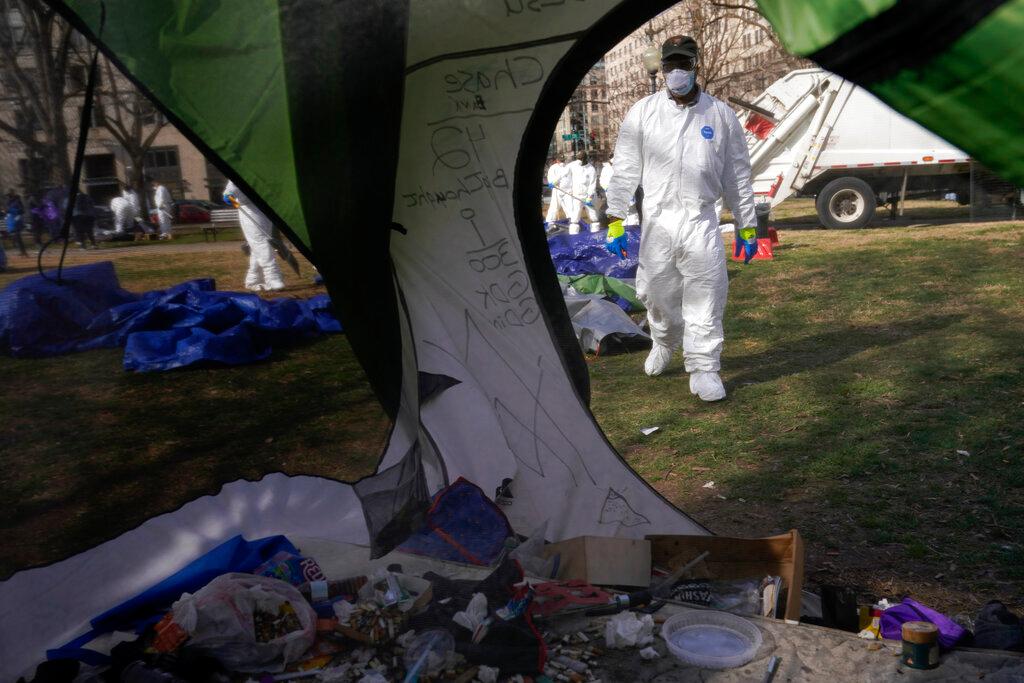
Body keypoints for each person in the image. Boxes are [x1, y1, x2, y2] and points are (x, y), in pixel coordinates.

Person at [605, 35, 757, 402]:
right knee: (656, 293)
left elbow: (737, 174)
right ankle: (663, 339)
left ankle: (704, 367)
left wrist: (747, 222)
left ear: (695, 66)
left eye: (683, 64)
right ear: (663, 68)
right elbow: (626, 166)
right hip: (657, 220)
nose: (676, 72)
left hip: (700, 221)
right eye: (669, 65)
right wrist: (615, 215)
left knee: (706, 294)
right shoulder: (643, 112)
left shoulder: (720, 115)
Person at [223, 179, 285, 292]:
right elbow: (231, 187)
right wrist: (228, 194)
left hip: (264, 210)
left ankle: (253, 280)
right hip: (249, 210)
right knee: (261, 242)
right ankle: (272, 276)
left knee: (257, 245)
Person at [598, 156, 640, 227]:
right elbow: (602, 181)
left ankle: (633, 231)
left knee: (631, 213)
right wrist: (607, 188)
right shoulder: (606, 169)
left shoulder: (626, 168)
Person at [543, 157, 570, 232]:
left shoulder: (567, 167)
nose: (562, 162)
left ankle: (572, 222)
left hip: (566, 191)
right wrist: (552, 183)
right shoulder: (553, 168)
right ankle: (549, 223)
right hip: (557, 190)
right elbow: (551, 179)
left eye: (563, 160)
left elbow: (569, 179)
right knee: (554, 207)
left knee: (569, 208)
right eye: (560, 160)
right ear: (557, 160)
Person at [5, 189, 27, 257]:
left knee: (17, 236)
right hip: (11, 220)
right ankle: (22, 251)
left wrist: (17, 214)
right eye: (8, 195)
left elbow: (22, 210)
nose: (8, 197)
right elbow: (7, 210)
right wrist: (7, 212)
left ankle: (23, 252)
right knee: (15, 236)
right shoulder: (8, 202)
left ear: (12, 194)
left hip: (17, 219)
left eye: (9, 195)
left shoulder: (17, 200)